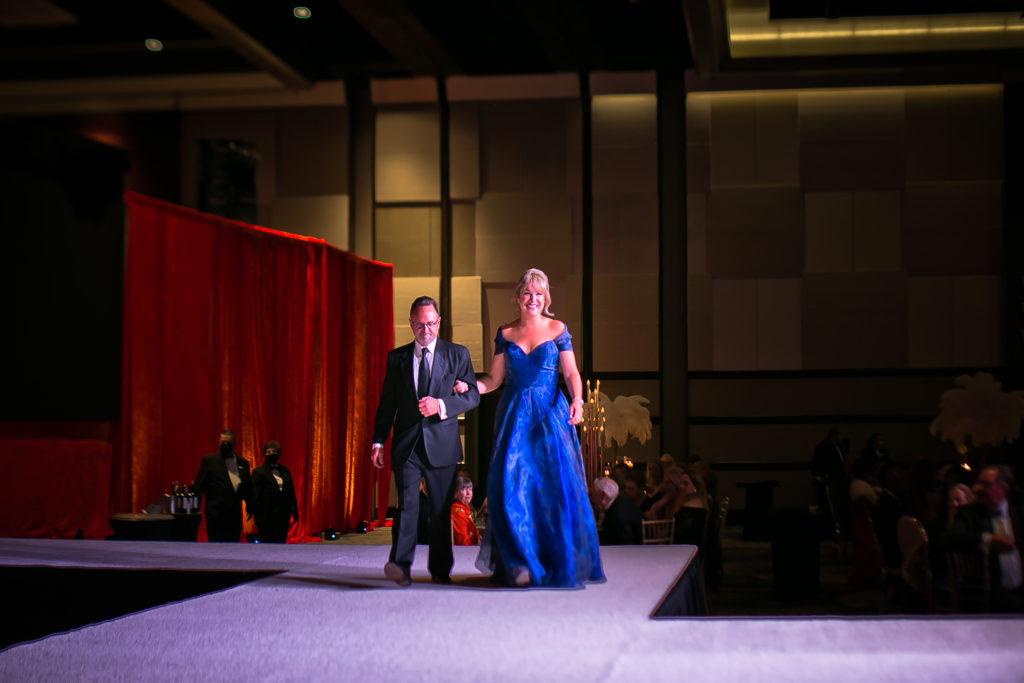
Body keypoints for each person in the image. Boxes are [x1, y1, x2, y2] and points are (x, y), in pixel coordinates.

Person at [468, 268, 603, 588]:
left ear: (546, 299)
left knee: (551, 487)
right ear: (518, 297)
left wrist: (578, 400)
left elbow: (570, 372)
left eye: (539, 294)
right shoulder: (505, 332)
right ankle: (519, 562)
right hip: (514, 416)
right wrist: (469, 387)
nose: (533, 299)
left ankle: (553, 560)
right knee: (512, 486)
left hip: (547, 416)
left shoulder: (557, 329)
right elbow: (493, 380)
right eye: (527, 293)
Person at [370, 296, 480, 586]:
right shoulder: (397, 358)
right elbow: (387, 402)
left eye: (431, 324)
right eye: (419, 324)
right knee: (407, 507)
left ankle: (441, 571)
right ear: (411, 324)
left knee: (441, 510)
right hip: (407, 446)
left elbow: (471, 396)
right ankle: (400, 567)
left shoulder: (457, 354)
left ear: (439, 322)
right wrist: (378, 441)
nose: (426, 330)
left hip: (442, 446)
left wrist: (441, 405)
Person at [946, 465, 1024, 611]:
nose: (978, 488)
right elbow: (952, 539)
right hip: (989, 590)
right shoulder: (969, 513)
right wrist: (988, 540)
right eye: (978, 483)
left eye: (986, 484)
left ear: (1004, 488)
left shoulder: (1018, 514)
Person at [193, 430, 252, 542]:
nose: (225, 445)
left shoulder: (243, 462)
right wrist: (195, 508)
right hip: (215, 512)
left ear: (234, 443)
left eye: (228, 442)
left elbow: (247, 487)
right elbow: (199, 486)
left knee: (233, 544)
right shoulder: (209, 460)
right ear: (219, 442)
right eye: (223, 442)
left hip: (234, 512)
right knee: (216, 544)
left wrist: (250, 506)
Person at [646, 466, 709, 547]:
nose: (681, 486)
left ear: (696, 487)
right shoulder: (675, 500)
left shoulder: (690, 507)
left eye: (685, 483)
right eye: (681, 483)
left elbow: (681, 537)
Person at [250, 440, 298, 543]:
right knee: (267, 543)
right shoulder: (258, 472)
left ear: (279, 454)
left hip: (283, 515)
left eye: (275, 452)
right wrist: (256, 515)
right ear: (264, 454)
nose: (272, 454)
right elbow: (255, 495)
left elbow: (290, 491)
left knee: (281, 542)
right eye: (269, 452)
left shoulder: (285, 471)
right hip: (266, 516)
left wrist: (294, 511)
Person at [591, 476, 642, 545]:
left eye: (594, 495)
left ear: (604, 495)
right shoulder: (623, 502)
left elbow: (621, 547)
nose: (592, 499)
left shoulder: (616, 515)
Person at [451, 476, 480, 546]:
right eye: (464, 489)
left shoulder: (465, 509)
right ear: (455, 493)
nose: (468, 493)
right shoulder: (458, 513)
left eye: (470, 489)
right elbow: (464, 543)